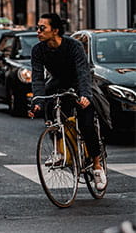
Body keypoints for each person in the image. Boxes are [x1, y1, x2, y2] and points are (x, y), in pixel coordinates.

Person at [29, 13, 107, 190]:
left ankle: (96, 165)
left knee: (86, 123)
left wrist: (85, 95)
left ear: (55, 30)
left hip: (79, 84)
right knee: (49, 106)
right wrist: (37, 102)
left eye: (42, 28)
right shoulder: (38, 50)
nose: (38, 32)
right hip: (58, 84)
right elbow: (38, 78)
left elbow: (83, 72)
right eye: (37, 28)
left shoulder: (74, 46)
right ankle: (58, 150)